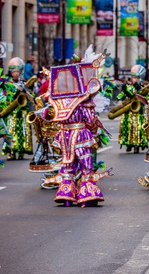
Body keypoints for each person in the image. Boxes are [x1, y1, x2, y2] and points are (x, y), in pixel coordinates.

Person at [36, 46, 112, 207]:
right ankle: (87, 195)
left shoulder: (59, 100)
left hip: (65, 135)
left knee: (67, 165)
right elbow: (90, 121)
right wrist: (94, 128)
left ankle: (66, 194)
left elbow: (53, 117)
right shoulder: (83, 101)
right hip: (80, 135)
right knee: (86, 165)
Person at [110, 64, 149, 153]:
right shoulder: (127, 86)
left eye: (136, 77)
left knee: (138, 128)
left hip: (139, 111)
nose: (134, 79)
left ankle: (137, 145)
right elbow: (122, 95)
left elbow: (147, 97)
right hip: (129, 110)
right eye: (133, 77)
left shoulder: (143, 87)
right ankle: (129, 144)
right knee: (127, 127)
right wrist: (120, 100)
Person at [2, 57, 33, 160]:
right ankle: (11, 152)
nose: (15, 74)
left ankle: (21, 152)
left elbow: (31, 97)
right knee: (11, 132)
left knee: (22, 132)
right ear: (10, 72)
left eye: (17, 71)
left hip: (22, 111)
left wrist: (26, 92)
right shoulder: (6, 83)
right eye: (13, 72)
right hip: (12, 112)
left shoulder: (23, 83)